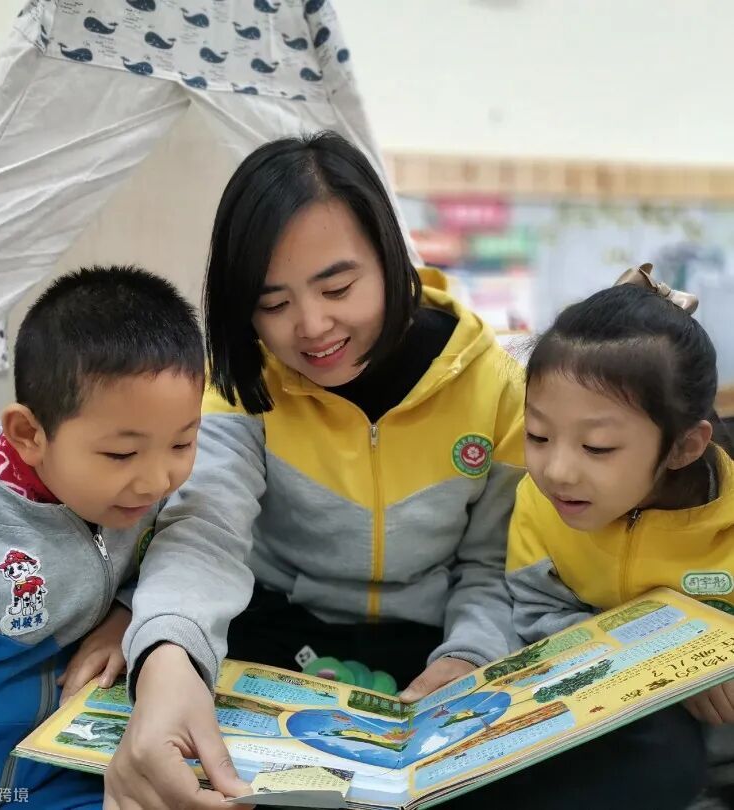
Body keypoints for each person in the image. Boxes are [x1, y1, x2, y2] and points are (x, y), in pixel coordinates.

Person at [94, 131, 527, 809]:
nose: (313, 326)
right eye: (273, 304)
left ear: (390, 257)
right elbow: (204, 534)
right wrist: (168, 655)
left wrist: (468, 657)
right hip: (277, 635)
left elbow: (493, 564)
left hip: (429, 646)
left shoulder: (498, 388)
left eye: (338, 287)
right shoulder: (241, 386)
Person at [0, 266, 205, 808]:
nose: (156, 480)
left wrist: (127, 615)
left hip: (80, 781)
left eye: (182, 443)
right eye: (121, 453)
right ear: (29, 434)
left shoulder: (143, 500)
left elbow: (174, 563)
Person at [506, 263, 733, 807]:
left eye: (598, 447)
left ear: (684, 446)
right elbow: (535, 613)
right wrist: (662, 656)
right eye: (538, 435)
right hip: (625, 748)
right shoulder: (539, 504)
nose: (557, 471)